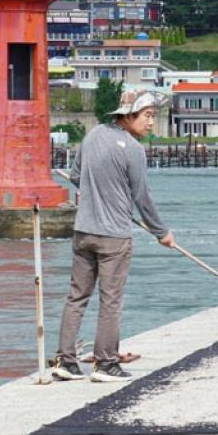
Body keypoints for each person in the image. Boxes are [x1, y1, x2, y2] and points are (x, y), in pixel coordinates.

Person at [52, 89, 175, 382]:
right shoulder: (134, 150)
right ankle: (106, 364)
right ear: (129, 115)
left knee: (76, 297)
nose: (150, 123)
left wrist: (100, 193)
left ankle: (65, 361)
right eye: (147, 116)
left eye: (153, 117)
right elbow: (142, 198)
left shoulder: (92, 136)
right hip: (113, 237)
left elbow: (77, 178)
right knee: (111, 301)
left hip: (83, 232)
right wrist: (162, 232)